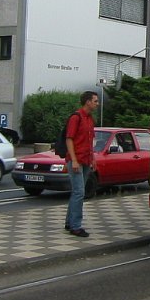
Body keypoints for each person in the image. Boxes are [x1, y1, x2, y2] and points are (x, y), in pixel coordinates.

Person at [64, 90, 98, 237]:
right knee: (79, 192)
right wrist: (74, 160)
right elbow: (69, 139)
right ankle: (76, 226)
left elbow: (90, 142)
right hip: (76, 160)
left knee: (77, 192)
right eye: (95, 101)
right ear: (87, 102)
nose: (97, 104)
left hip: (86, 159)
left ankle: (69, 222)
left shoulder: (90, 119)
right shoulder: (76, 117)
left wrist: (93, 159)